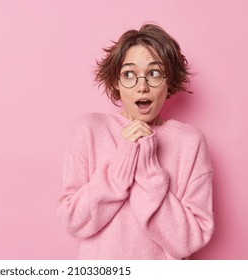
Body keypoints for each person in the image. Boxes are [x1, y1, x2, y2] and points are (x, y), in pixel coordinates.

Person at [58, 23, 214, 259]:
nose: (142, 87)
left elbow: (190, 240)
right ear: (116, 83)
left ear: (169, 82)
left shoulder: (190, 142)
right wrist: (122, 164)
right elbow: (74, 221)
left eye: (154, 73)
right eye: (129, 74)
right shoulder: (90, 130)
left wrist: (149, 170)